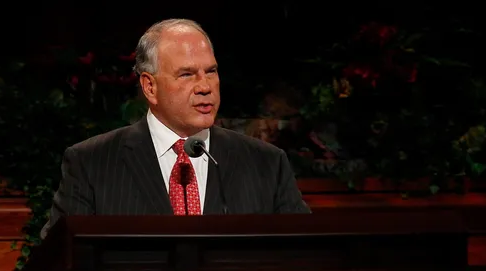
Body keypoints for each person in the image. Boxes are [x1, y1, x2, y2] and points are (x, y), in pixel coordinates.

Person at [41, 18, 310, 238]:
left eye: (211, 72)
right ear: (150, 87)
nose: (205, 87)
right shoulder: (92, 163)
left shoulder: (267, 164)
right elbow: (55, 263)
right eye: (187, 74)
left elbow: (305, 256)